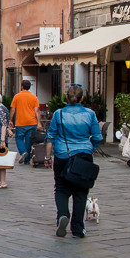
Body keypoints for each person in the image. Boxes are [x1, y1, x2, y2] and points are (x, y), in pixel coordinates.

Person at [44, 84, 102, 238]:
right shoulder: (90, 114)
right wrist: (90, 146)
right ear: (82, 98)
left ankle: (63, 215)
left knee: (61, 188)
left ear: (66, 97)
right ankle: (77, 228)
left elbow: (51, 136)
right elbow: (97, 136)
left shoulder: (59, 114)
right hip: (83, 155)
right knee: (81, 191)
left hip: (63, 155)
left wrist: (47, 157)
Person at [10, 80, 42, 164]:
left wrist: (10, 120)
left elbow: (13, 109)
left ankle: (23, 151)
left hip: (20, 122)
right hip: (32, 122)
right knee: (28, 141)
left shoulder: (17, 96)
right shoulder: (34, 97)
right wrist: (39, 122)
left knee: (19, 138)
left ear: (22, 86)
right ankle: (27, 160)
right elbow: (37, 111)